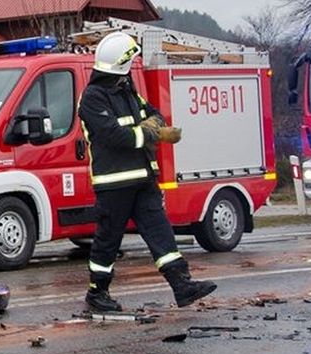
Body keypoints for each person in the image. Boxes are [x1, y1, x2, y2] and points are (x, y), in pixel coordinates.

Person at [80, 31, 217, 312]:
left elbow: (155, 114)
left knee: (161, 233)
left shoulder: (127, 89)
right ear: (122, 63)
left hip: (143, 178)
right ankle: (97, 293)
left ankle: (182, 285)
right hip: (114, 184)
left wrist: (150, 127)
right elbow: (114, 136)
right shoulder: (93, 98)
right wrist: (149, 132)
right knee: (108, 240)